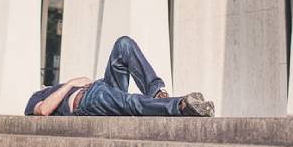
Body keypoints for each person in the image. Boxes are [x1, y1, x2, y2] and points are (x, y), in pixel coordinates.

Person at [24, 36, 214, 117]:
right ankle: (181, 105)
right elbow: (44, 111)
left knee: (124, 44)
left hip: (100, 86)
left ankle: (157, 92)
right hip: (87, 102)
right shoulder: (38, 96)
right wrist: (72, 82)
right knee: (129, 102)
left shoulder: (57, 89)